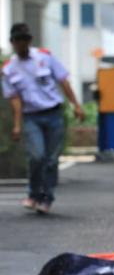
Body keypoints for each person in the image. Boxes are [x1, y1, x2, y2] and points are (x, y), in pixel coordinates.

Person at [2, 23, 85, 214]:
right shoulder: (9, 69)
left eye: (25, 39)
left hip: (54, 114)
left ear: (30, 40)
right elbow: (15, 100)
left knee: (51, 160)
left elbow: (63, 81)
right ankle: (33, 194)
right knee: (36, 156)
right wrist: (16, 125)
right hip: (31, 117)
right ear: (12, 42)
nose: (22, 43)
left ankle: (47, 198)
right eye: (18, 40)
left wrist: (76, 106)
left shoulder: (45, 57)